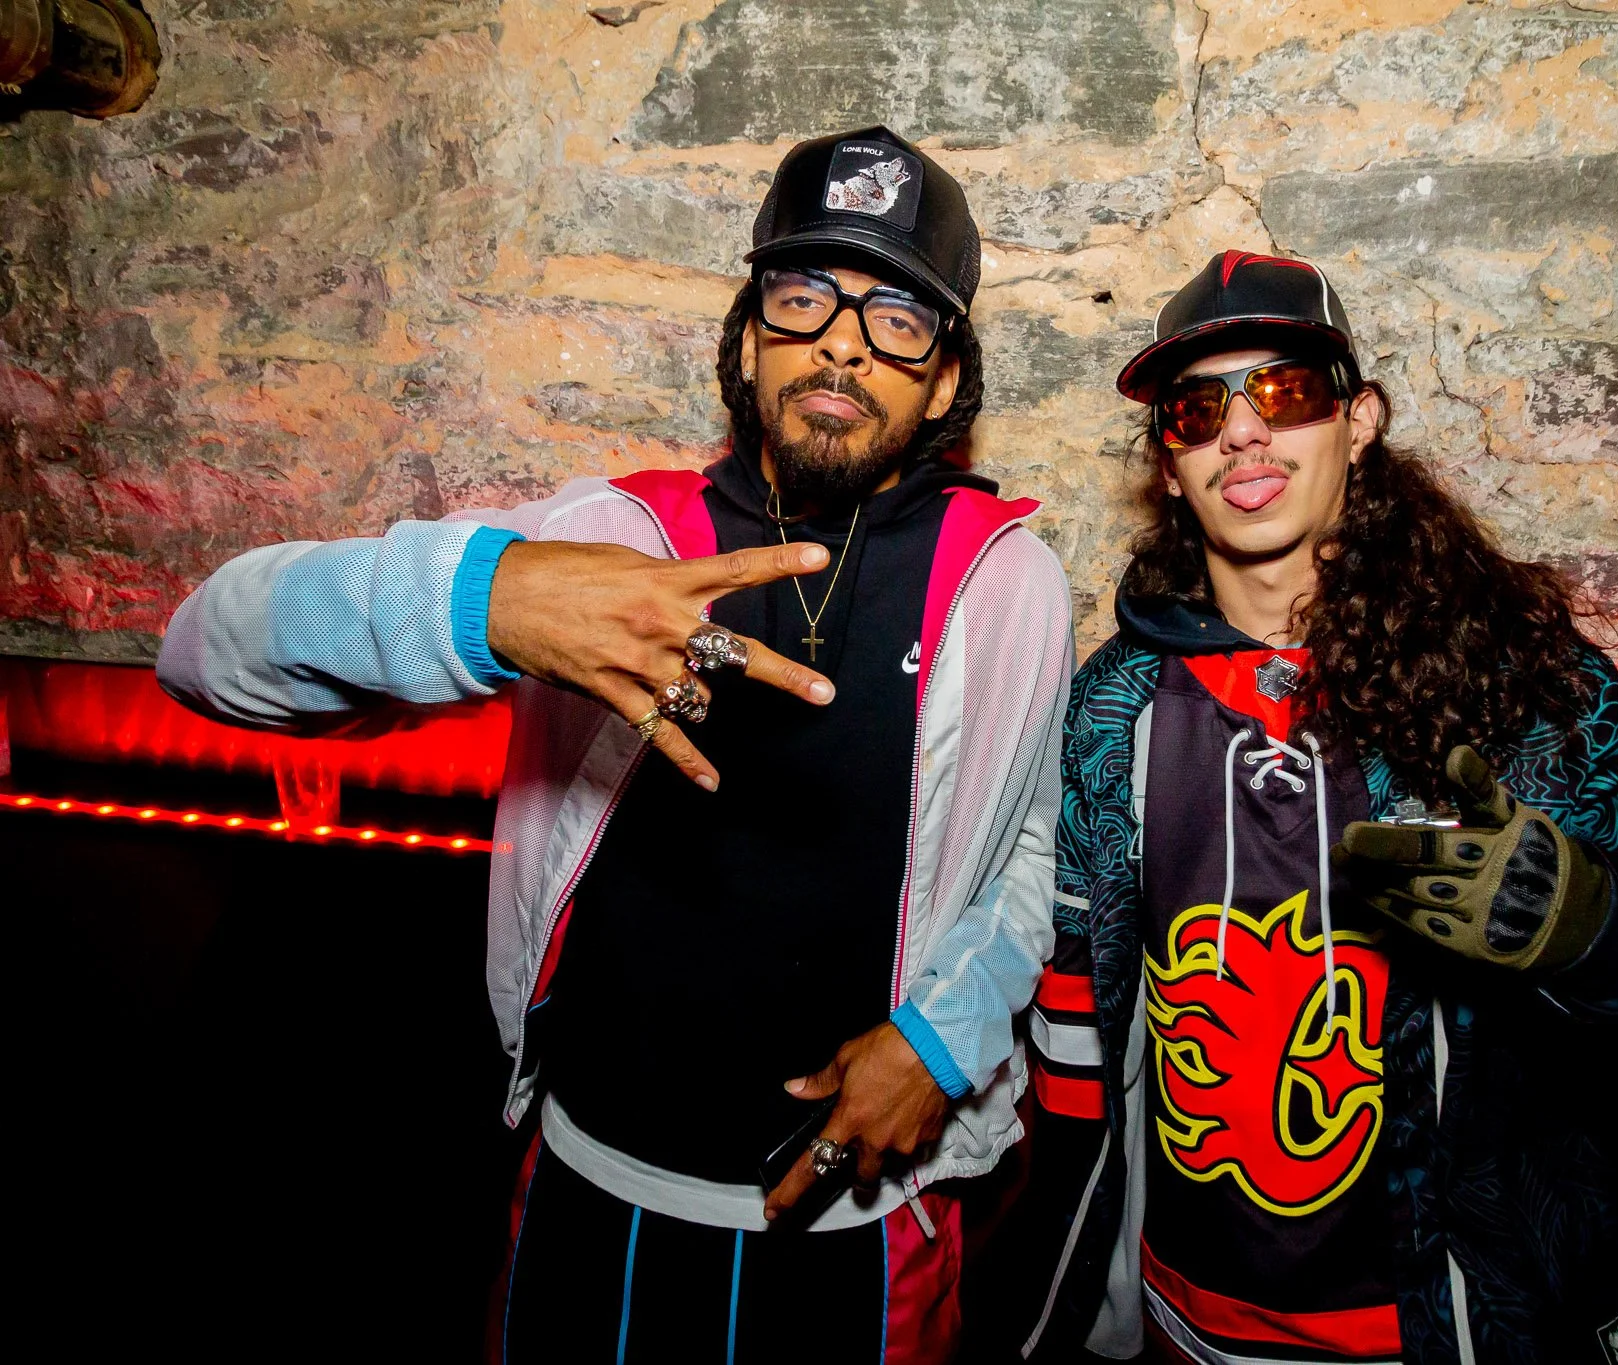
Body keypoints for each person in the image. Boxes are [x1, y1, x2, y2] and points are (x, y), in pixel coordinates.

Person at [157, 126, 1072, 1363]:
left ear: (946, 382)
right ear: (746, 343)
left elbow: (1026, 851)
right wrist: (486, 602)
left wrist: (945, 1040)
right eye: (803, 298)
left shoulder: (1006, 585)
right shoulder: (615, 536)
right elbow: (204, 650)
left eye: (897, 318)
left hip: (864, 1227)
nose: (843, 342)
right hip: (589, 1195)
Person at [1000, 252, 1618, 1364]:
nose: (1242, 432)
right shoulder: (1114, 707)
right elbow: (1077, 1022)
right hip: (1185, 1330)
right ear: (1167, 463)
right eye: (1199, 409)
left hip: (1467, 1329)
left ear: (1359, 422)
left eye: (1285, 391)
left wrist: (1595, 931)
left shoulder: (1525, 683)